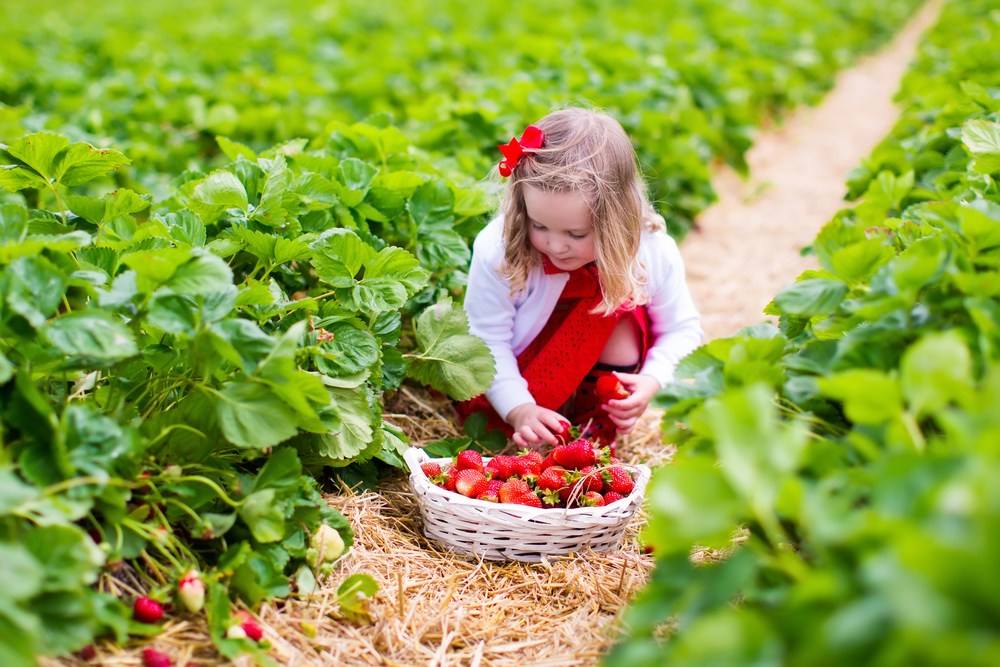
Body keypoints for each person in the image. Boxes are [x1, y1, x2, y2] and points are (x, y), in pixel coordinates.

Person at [456, 107, 703, 451]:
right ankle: (537, 427)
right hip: (519, 380)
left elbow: (682, 329)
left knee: (619, 309)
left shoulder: (651, 250)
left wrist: (652, 379)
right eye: (539, 225)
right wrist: (519, 408)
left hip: (599, 370)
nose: (555, 245)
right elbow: (486, 338)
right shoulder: (498, 247)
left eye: (576, 233)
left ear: (617, 219)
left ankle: (592, 433)